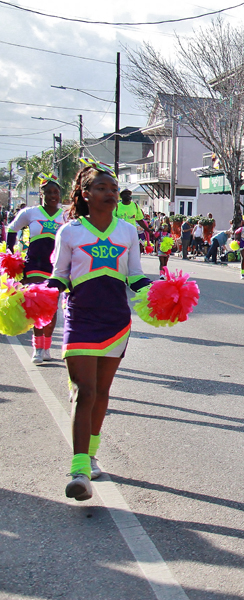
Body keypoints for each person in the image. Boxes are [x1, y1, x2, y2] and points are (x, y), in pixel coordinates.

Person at [47, 162, 153, 501]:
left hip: (116, 320)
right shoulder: (71, 232)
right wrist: (38, 296)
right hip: (79, 318)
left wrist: (160, 294)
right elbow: (60, 276)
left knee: (103, 392)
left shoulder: (127, 231)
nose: (110, 193)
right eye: (103, 188)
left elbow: (134, 276)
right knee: (85, 392)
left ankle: (91, 454)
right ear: (85, 194)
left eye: (113, 188)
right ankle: (79, 470)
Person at [8, 174, 66, 363]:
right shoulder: (31, 213)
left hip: (56, 266)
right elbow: (12, 228)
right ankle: (37, 349)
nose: (52, 196)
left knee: (51, 307)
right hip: (34, 264)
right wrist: (11, 254)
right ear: (42, 194)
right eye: (48, 192)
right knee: (37, 305)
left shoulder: (65, 215)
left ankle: (46, 347)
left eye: (55, 192)